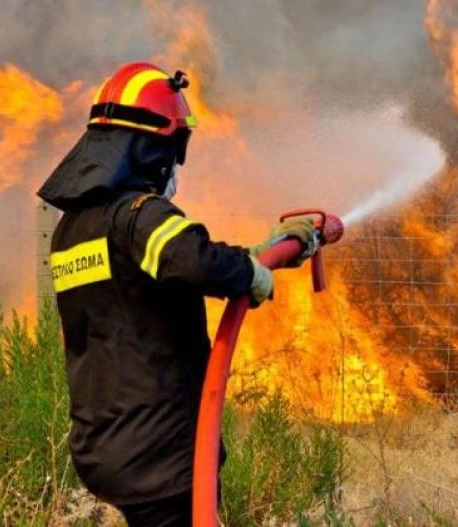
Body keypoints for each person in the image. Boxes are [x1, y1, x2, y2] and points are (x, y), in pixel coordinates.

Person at [36, 62, 315, 526]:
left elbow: (159, 275)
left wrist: (255, 256)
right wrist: (250, 273)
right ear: (151, 149)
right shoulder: (138, 214)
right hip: (160, 456)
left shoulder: (73, 230)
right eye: (174, 146)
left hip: (107, 446)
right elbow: (192, 260)